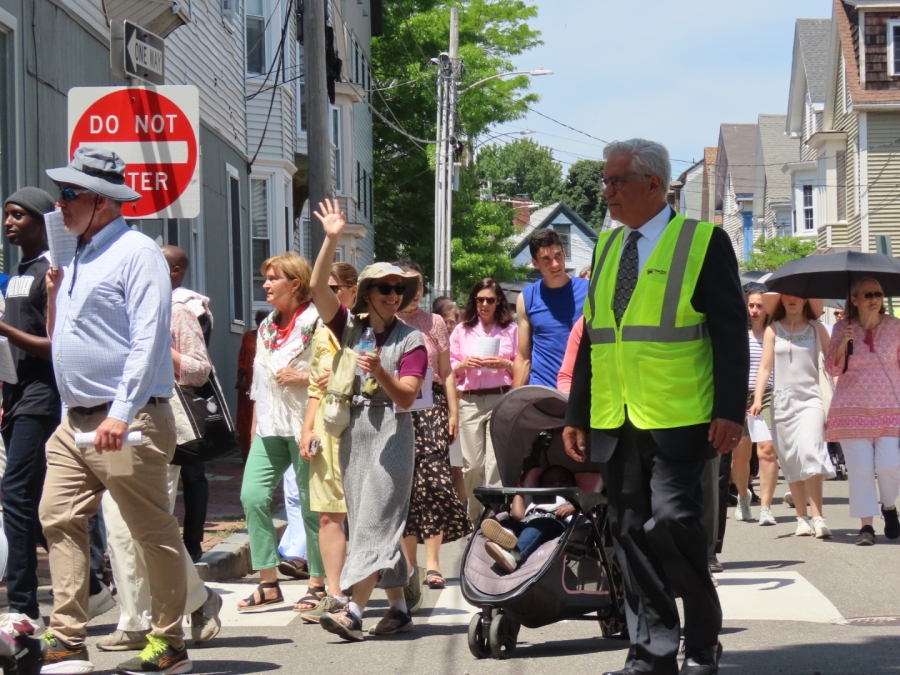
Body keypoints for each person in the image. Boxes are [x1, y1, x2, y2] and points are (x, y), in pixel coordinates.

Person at [564, 139, 748, 675]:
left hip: (682, 416)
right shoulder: (606, 248)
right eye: (605, 180)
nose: (607, 191)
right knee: (627, 530)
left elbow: (731, 332)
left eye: (616, 180)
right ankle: (652, 652)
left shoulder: (703, 242)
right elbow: (597, 334)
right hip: (616, 418)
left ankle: (704, 633)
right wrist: (578, 412)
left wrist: (730, 409)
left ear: (653, 185)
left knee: (671, 523)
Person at [41, 146, 191, 674]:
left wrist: (121, 413)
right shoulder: (79, 254)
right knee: (56, 516)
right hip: (77, 421)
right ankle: (67, 637)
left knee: (149, 528)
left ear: (100, 202)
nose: (58, 205)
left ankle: (170, 641)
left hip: (125, 424)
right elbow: (72, 338)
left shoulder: (136, 252)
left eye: (67, 194)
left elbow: (147, 337)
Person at [310, 199, 426, 641]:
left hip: (394, 435)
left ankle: (354, 610)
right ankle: (398, 606)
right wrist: (332, 237)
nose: (394, 295)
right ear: (367, 295)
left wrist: (381, 372)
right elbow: (319, 286)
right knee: (370, 520)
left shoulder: (412, 339)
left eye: (399, 289)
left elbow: (409, 397)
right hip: (354, 432)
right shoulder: (350, 328)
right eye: (385, 289)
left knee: (376, 519)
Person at [97, 245, 222, 652]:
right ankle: (145, 616)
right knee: (118, 527)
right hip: (110, 425)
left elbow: (199, 369)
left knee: (147, 525)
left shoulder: (175, 311)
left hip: (156, 424)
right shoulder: (112, 313)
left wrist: (155, 349)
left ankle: (170, 611)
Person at [237, 252, 324, 612]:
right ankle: (268, 582)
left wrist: (302, 376)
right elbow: (260, 380)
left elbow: (338, 371)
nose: (266, 285)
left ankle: (318, 583)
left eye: (273, 278)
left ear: (296, 284)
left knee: (311, 505)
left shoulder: (318, 322)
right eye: (266, 278)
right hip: (271, 425)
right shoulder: (266, 327)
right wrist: (256, 424)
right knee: (252, 496)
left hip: (307, 424)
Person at [0, 188, 60, 635]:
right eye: (7, 216)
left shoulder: (51, 272)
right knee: (41, 504)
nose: (9, 223)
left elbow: (53, 346)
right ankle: (94, 584)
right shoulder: (17, 273)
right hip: (15, 397)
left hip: (43, 399)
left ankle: (23, 604)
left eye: (19, 215)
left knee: (16, 495)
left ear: (43, 221)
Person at [396, 260, 469, 591]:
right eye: (407, 285)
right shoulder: (386, 321)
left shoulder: (435, 322)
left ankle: (434, 564)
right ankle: (410, 566)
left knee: (436, 483)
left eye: (420, 285)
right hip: (397, 411)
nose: (415, 292)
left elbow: (447, 369)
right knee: (406, 487)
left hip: (433, 407)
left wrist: (453, 413)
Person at [298, 262, 358, 623]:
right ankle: (334, 593)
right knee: (327, 513)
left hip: (361, 422)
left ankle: (398, 584)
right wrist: (307, 429)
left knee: (368, 513)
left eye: (337, 288)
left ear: (352, 290)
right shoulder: (320, 329)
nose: (330, 295)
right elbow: (314, 388)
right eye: (327, 288)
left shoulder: (362, 323)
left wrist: (343, 369)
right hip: (326, 424)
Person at [824, 277, 900, 545]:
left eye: (878, 294)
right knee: (860, 470)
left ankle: (889, 507)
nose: (874, 299)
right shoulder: (841, 328)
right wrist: (843, 342)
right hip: (851, 407)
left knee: (890, 465)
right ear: (854, 300)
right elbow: (832, 369)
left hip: (890, 406)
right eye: (867, 294)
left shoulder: (895, 327)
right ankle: (866, 526)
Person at [751, 294, 833, 539]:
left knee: (810, 451)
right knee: (790, 459)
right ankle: (802, 518)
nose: (792, 300)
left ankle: (818, 517)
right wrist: (757, 399)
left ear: (806, 300)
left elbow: (833, 364)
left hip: (811, 399)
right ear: (780, 302)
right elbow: (765, 367)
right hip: (781, 402)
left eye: (798, 296)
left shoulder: (816, 328)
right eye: (786, 296)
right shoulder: (772, 330)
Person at [450, 279, 518, 523]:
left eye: (490, 299)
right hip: (470, 402)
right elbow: (449, 365)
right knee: (473, 466)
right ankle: (475, 517)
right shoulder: (462, 329)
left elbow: (521, 362)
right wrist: (463, 365)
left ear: (498, 300)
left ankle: (495, 518)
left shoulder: (511, 329)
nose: (485, 304)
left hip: (500, 397)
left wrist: (506, 364)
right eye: (480, 300)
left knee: (494, 464)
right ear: (474, 301)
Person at [161, 245, 210, 562]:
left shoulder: (186, 309)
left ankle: (190, 549)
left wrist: (160, 349)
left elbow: (198, 369)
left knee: (189, 477)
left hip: (176, 414)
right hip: (126, 421)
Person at [513, 229, 588, 388]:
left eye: (558, 255)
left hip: (581, 391)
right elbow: (523, 358)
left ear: (564, 254)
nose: (555, 264)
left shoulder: (590, 291)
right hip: (542, 391)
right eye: (546, 259)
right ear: (535, 263)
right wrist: (515, 402)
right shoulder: (527, 298)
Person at [733, 288, 779, 526]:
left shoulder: (775, 333)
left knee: (767, 451)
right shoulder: (739, 334)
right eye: (751, 305)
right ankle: (743, 497)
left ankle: (766, 508)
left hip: (769, 396)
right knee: (740, 456)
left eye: (760, 306)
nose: (755, 310)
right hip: (740, 396)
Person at [481, 465, 576, 573]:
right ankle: (506, 537)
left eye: (564, 481)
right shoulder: (536, 502)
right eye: (551, 483)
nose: (557, 484)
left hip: (554, 523)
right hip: (528, 522)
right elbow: (518, 515)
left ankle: (516, 554)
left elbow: (586, 508)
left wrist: (572, 507)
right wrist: (519, 493)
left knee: (538, 525)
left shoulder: (573, 500)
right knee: (508, 523)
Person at [236, 310, 268, 463]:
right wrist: (241, 375)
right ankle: (246, 454)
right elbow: (242, 356)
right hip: (248, 384)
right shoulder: (249, 336)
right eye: (258, 319)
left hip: (264, 383)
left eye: (263, 319)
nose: (260, 322)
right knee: (246, 418)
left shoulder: (271, 335)